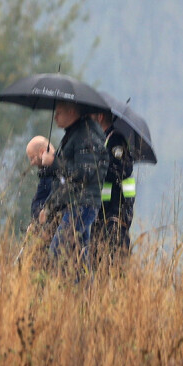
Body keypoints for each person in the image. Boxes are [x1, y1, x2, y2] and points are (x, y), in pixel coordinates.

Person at [38, 101, 109, 277]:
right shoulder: (75, 133)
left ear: (71, 112)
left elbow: (83, 173)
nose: (55, 117)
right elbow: (65, 178)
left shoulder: (86, 135)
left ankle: (69, 296)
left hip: (82, 204)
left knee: (57, 253)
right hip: (76, 203)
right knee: (80, 259)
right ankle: (85, 300)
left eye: (59, 112)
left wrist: (54, 162)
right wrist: (50, 205)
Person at [89, 111, 135, 268]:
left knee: (117, 256)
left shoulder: (115, 140)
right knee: (98, 257)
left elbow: (120, 170)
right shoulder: (103, 140)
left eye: (92, 118)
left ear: (100, 117)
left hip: (117, 210)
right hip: (103, 210)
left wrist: (97, 167)